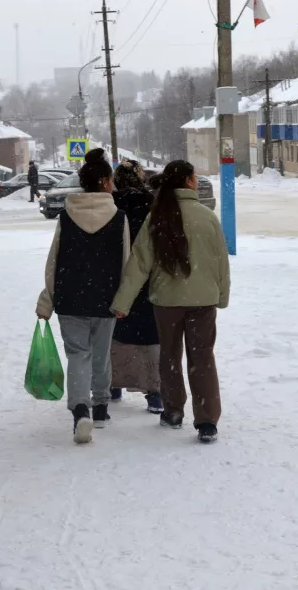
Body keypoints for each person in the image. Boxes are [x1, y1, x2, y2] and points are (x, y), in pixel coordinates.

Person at [111, 160, 230, 444]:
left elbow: (139, 264)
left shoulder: (157, 216)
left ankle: (173, 411)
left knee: (170, 357)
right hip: (203, 301)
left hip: (166, 302)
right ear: (189, 181)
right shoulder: (207, 217)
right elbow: (220, 263)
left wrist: (123, 301)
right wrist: (221, 297)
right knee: (203, 358)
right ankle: (207, 422)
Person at [36, 148, 129, 444]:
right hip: (106, 297)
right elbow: (126, 262)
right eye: (111, 179)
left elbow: (54, 261)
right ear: (104, 181)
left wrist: (47, 300)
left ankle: (80, 410)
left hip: (70, 296)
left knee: (78, 355)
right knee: (101, 354)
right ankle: (100, 406)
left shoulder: (66, 216)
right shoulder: (119, 217)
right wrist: (123, 300)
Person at [108, 159, 163, 414]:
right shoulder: (153, 206)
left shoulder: (110, 205)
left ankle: (112, 385)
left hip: (115, 280)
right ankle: (154, 394)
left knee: (114, 336)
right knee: (150, 338)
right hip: (148, 282)